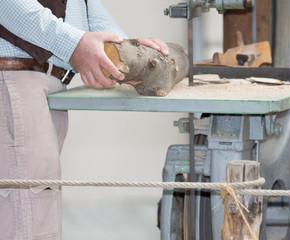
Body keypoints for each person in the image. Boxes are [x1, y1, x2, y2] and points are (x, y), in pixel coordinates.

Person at [0, 0, 169, 239]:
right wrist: (74, 45)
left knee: (35, 211)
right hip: (14, 80)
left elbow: (87, 11)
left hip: (43, 83)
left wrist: (130, 50)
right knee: (27, 215)